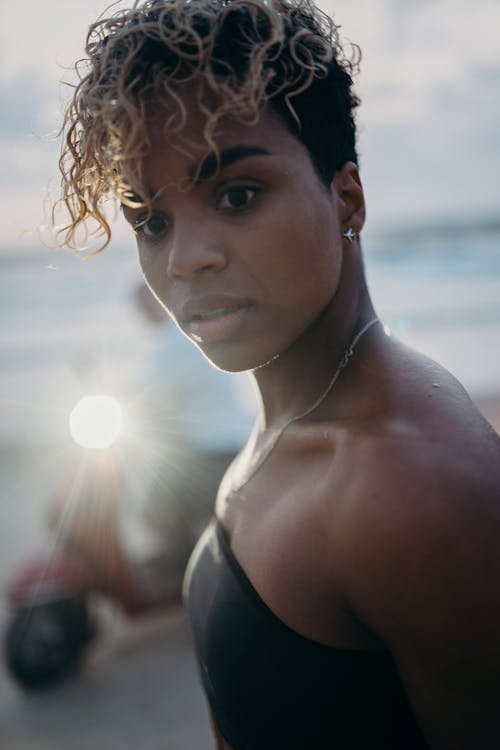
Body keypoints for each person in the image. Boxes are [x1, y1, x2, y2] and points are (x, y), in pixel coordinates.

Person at [53, 0, 500, 747]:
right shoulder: (297, 412)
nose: (184, 258)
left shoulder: (413, 485)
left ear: (347, 198)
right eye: (150, 220)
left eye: (236, 194)